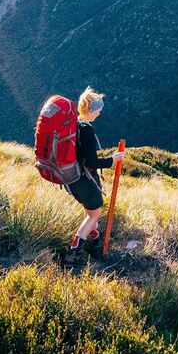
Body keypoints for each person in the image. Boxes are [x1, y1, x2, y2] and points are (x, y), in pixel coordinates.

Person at [62, 86, 125, 267]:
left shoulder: (73, 125)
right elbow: (91, 162)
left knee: (90, 210)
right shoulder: (87, 130)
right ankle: (72, 254)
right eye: (98, 110)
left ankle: (94, 240)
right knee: (94, 214)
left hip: (71, 179)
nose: (99, 113)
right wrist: (112, 160)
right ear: (91, 110)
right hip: (84, 179)